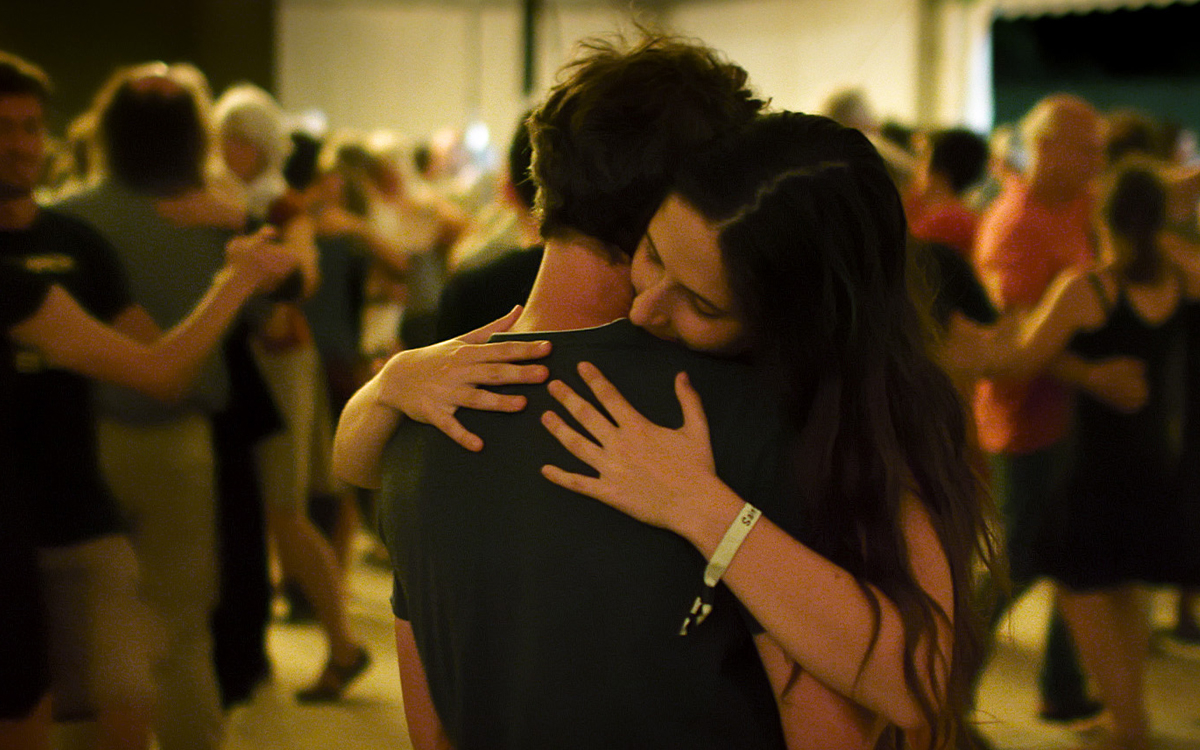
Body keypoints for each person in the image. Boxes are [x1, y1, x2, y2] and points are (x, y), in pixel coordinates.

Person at [334, 34, 848, 749]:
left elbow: (433, 730)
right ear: (694, 205)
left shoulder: (422, 415)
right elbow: (830, 728)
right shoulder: (723, 415)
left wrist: (388, 383)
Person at [528, 111, 995, 749]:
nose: (645, 307)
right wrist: (396, 384)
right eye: (652, 254)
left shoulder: (866, 409)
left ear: (797, 322)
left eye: (703, 304)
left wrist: (699, 505)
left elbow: (918, 679)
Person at [0, 48, 298, 750]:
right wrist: (240, 264)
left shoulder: (76, 225)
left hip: (85, 479)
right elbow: (270, 329)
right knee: (145, 650)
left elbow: (161, 362)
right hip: (139, 459)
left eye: (30, 127)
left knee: (92, 674)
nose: (21, 144)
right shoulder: (201, 217)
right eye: (6, 128)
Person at [967, 161, 1200, 750]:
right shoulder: (1179, 279)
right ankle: (1129, 715)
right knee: (1125, 591)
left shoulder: (1088, 289)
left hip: (1094, 473)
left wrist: (980, 339)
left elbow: (1019, 361)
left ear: (1101, 216)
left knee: (1080, 589)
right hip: (1155, 464)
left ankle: (1128, 725)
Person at [969, 93, 1105, 727]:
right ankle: (940, 689)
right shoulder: (1014, 224)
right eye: (1086, 150)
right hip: (1024, 420)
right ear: (1045, 148)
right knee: (1014, 565)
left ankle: (1062, 685)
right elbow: (1017, 340)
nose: (1097, 162)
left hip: (1066, 416)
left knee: (1077, 552)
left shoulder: (1074, 202)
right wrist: (1096, 376)